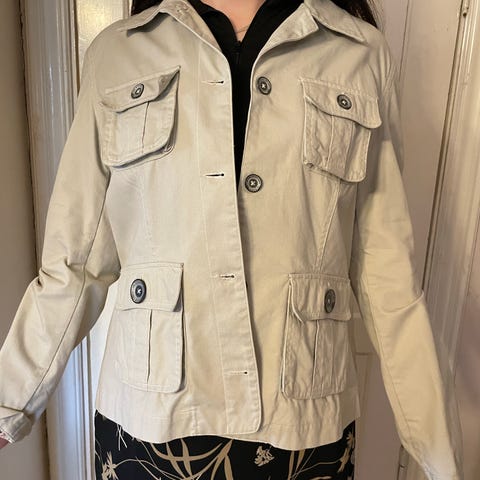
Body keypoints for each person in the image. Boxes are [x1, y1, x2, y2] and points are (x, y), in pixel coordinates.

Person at [0, 0, 464, 479]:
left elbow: (387, 279)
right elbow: (75, 265)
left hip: (303, 427)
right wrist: (8, 399)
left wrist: (440, 456)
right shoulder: (119, 54)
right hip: (152, 424)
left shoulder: (359, 53)